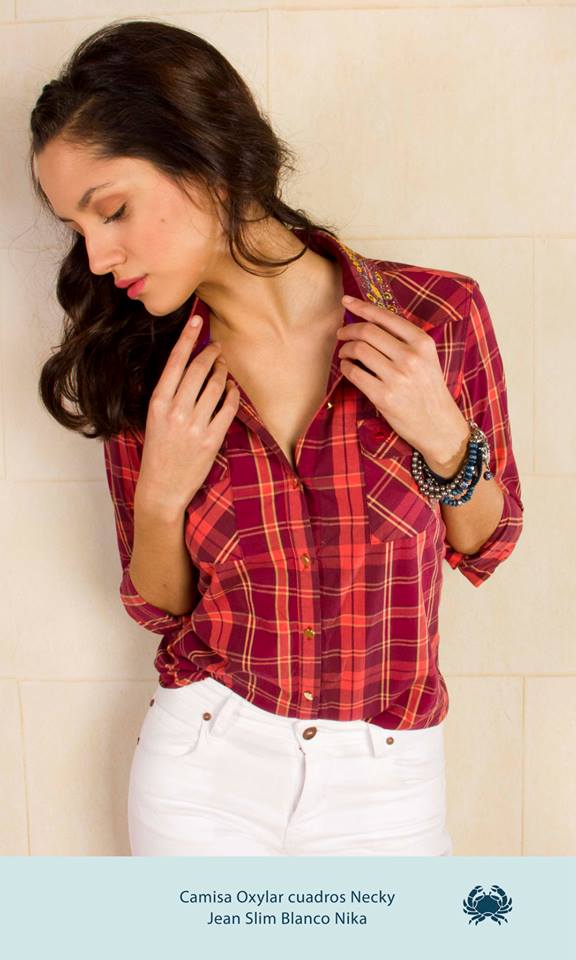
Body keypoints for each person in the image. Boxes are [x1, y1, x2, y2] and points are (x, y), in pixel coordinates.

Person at [29, 19, 524, 857]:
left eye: (111, 211)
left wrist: (445, 438)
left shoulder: (434, 318)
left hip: (388, 779)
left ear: (203, 156)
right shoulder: (147, 368)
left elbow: (488, 542)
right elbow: (159, 605)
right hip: (204, 770)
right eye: (80, 231)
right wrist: (162, 493)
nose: (101, 255)